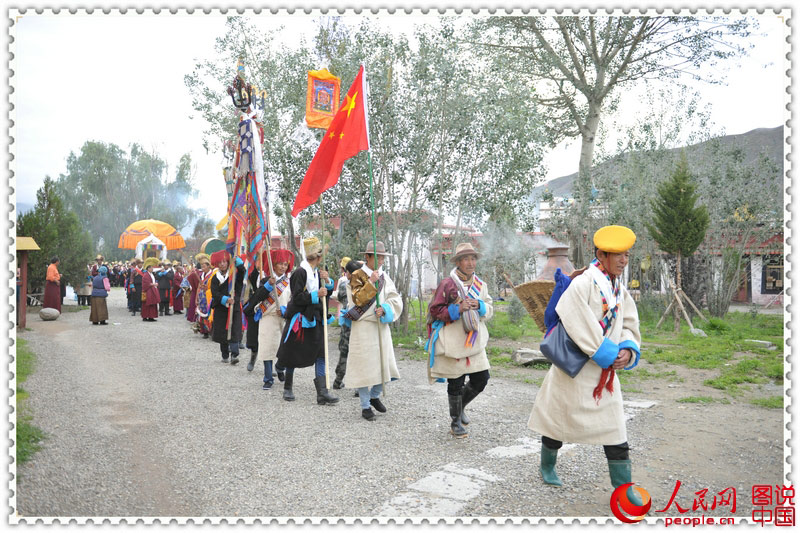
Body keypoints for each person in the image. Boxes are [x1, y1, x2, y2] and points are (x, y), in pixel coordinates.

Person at [528, 225, 643, 505]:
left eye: (626, 255)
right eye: (618, 255)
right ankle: (547, 465)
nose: (624, 260)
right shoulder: (583, 283)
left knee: (615, 428)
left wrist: (627, 348)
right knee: (557, 424)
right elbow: (575, 321)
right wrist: (607, 352)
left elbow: (628, 322)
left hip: (604, 374)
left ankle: (623, 488)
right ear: (601, 255)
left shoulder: (618, 288)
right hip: (574, 371)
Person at [425, 242, 493, 437]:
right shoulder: (448, 284)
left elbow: (489, 307)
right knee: (456, 381)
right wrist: (457, 309)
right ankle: (455, 422)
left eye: (473, 259)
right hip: (454, 340)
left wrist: (480, 306)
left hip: (474, 340)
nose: (470, 263)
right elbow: (435, 310)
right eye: (466, 259)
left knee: (482, 379)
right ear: (458, 262)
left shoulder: (480, 285)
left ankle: (460, 406)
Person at [342, 241, 403, 421]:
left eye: (382, 257)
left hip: (380, 326)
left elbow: (394, 298)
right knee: (364, 368)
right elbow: (357, 300)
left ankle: (374, 396)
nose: (380, 260)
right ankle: (365, 406)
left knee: (384, 364)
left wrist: (385, 309)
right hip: (363, 326)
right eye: (377, 257)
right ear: (367, 257)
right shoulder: (356, 276)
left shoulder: (385, 276)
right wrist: (371, 282)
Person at [275, 237, 337, 405]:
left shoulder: (319, 272)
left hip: (316, 318)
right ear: (318, 256)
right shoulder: (300, 273)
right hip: (300, 320)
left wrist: (328, 282)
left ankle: (322, 392)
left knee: (321, 354)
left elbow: (326, 294)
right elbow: (297, 297)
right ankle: (288, 387)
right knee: (292, 353)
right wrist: (316, 294)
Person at [250, 248, 294, 388]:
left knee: (285, 348)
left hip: (284, 317)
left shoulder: (290, 282)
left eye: (285, 264)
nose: (283, 267)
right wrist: (268, 285)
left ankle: (280, 368)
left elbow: (293, 300)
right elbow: (257, 297)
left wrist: (286, 311)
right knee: (267, 347)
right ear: (273, 265)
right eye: (280, 263)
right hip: (268, 316)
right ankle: (268, 378)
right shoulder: (265, 280)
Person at [209, 250, 246, 364]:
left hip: (234, 307)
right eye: (220, 262)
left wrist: (239, 263)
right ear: (217, 264)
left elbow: (242, 272)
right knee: (222, 332)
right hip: (221, 308)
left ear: (228, 262)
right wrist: (225, 299)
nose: (222, 264)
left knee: (234, 330)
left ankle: (234, 355)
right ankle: (225, 354)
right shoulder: (215, 278)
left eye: (224, 261)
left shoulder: (234, 275)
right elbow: (215, 293)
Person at [332, 257, 358, 390]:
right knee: (357, 354)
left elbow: (340, 298)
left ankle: (338, 380)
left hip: (347, 324)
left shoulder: (343, 285)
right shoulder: (363, 286)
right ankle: (359, 387)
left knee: (344, 352)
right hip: (358, 324)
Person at [195, 256, 214, 339]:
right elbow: (198, 287)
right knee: (201, 314)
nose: (202, 268)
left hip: (209, 297)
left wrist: (207, 288)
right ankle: (204, 331)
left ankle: (211, 331)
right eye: (201, 267)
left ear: (209, 266)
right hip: (202, 297)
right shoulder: (201, 275)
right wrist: (196, 298)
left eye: (204, 266)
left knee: (210, 314)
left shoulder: (212, 275)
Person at [140, 257, 161, 322]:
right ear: (148, 268)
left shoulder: (151, 274)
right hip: (148, 291)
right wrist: (153, 284)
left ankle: (151, 316)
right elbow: (146, 284)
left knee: (153, 304)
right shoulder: (146, 275)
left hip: (152, 290)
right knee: (147, 304)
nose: (152, 269)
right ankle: (146, 316)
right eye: (151, 268)